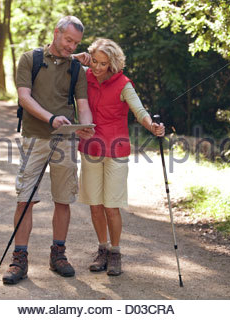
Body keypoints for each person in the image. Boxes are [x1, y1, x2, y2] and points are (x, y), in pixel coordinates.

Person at [2, 16, 94, 284]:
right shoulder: (30, 59)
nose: (71, 46)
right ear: (56, 33)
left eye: (75, 43)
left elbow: (83, 103)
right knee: (25, 198)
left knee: (63, 199)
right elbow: (24, 97)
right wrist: (50, 118)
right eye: (68, 40)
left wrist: (85, 125)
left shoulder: (77, 68)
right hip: (35, 137)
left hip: (66, 141)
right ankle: (19, 259)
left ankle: (58, 255)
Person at [77, 38, 165, 276]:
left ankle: (115, 252)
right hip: (90, 149)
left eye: (103, 63)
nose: (97, 67)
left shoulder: (124, 84)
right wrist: (80, 58)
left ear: (112, 64)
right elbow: (62, 63)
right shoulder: (85, 76)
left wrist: (152, 126)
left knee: (111, 206)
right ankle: (102, 249)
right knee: (95, 206)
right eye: (94, 61)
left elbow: (140, 111)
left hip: (115, 151)